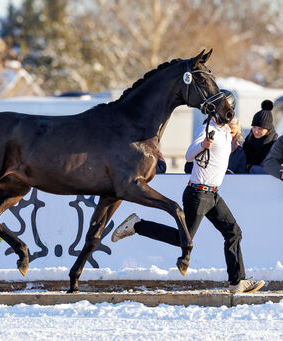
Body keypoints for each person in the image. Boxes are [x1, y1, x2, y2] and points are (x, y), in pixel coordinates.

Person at [112, 96, 265, 294]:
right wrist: (203, 146)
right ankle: (137, 225)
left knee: (233, 232)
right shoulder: (207, 129)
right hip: (198, 194)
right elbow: (188, 155)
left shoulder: (226, 130)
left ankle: (237, 282)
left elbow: (238, 135)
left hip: (213, 195)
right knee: (181, 239)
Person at [243, 100, 278, 173]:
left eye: (260, 129)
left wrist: (250, 168)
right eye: (254, 127)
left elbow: (271, 169)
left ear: (268, 129)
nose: (256, 131)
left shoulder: (275, 145)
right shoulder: (247, 142)